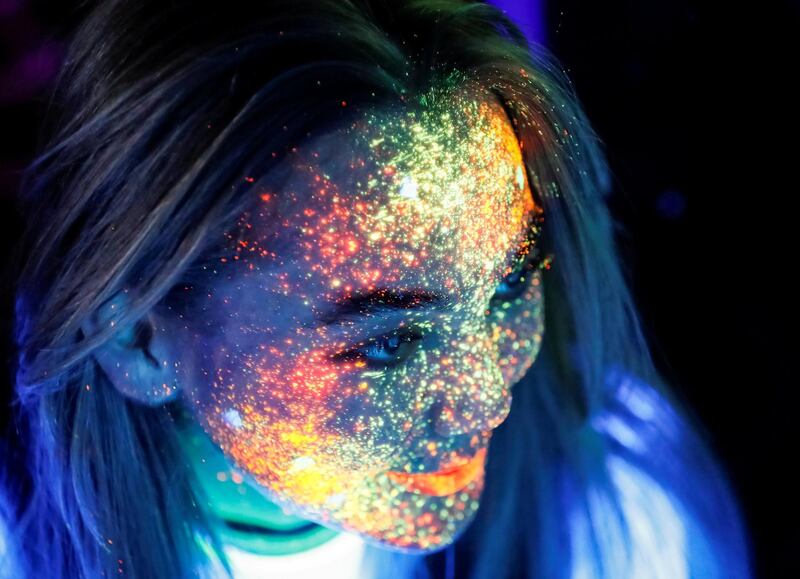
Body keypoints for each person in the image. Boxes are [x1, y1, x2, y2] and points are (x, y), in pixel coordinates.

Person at [0, 1, 752, 577]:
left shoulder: (621, 513)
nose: (487, 396)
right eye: (389, 341)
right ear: (137, 338)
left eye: (508, 290)